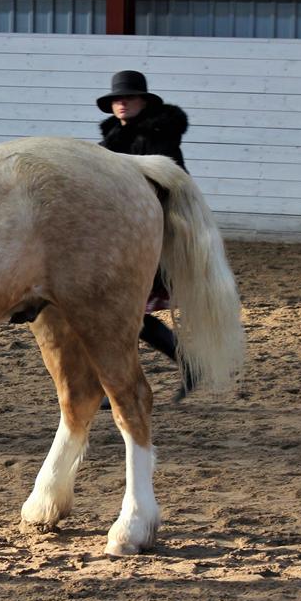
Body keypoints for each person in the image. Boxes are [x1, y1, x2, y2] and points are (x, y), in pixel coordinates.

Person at [96, 69, 195, 405]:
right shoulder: (111, 139)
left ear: (143, 101)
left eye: (128, 98)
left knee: (120, 312)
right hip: (121, 233)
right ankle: (187, 363)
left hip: (149, 233)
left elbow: (166, 184)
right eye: (116, 99)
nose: (121, 103)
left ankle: (114, 388)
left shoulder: (158, 136)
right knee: (124, 313)